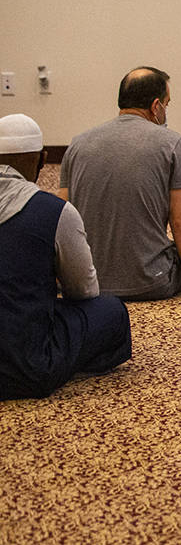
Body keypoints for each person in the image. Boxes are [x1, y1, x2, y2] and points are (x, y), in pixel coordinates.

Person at [58, 67, 181, 301]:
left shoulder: (78, 144)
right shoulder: (172, 142)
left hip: (85, 279)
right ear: (156, 106)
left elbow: (61, 213)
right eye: (167, 103)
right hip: (150, 280)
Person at [0, 114, 131, 400]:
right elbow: (83, 291)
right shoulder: (53, 211)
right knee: (111, 311)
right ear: (42, 159)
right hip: (26, 369)